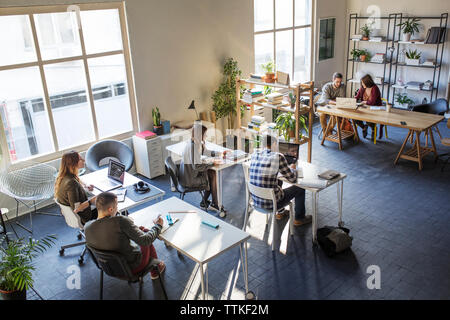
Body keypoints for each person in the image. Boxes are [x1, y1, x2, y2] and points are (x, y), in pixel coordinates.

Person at [84, 192, 165, 280]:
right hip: (131, 269)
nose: (117, 208)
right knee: (145, 237)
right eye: (117, 206)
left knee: (141, 233)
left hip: (109, 268)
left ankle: (157, 266)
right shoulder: (120, 221)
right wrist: (158, 226)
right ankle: (155, 271)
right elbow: (146, 241)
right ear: (111, 209)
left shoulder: (87, 227)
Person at [249, 134, 312, 226]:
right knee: (300, 188)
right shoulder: (278, 156)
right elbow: (293, 179)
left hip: (256, 200)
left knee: (278, 180)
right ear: (274, 144)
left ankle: (281, 212)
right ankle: (299, 218)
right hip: (271, 203)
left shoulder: (255, 155)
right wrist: (293, 169)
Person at [179, 123, 228, 211]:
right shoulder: (193, 147)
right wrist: (213, 163)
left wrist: (220, 153)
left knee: (211, 173)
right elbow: (197, 167)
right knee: (211, 176)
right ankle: (214, 204)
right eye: (205, 134)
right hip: (189, 180)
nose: (206, 136)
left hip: (187, 175)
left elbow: (205, 152)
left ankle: (207, 202)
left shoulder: (194, 142)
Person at [55, 150, 98, 225]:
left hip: (73, 216)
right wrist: (92, 200)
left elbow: (78, 179)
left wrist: (85, 185)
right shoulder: (71, 183)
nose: (83, 160)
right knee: (108, 205)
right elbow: (77, 208)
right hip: (85, 217)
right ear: (73, 164)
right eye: (80, 159)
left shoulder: (64, 177)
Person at [354, 74, 383, 140]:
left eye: (363, 83)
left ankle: (373, 129)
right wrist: (351, 100)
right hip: (364, 108)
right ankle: (364, 127)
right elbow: (357, 97)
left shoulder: (375, 88)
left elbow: (372, 102)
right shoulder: (363, 87)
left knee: (369, 120)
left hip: (374, 108)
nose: (362, 84)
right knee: (354, 118)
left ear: (368, 82)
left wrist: (364, 102)